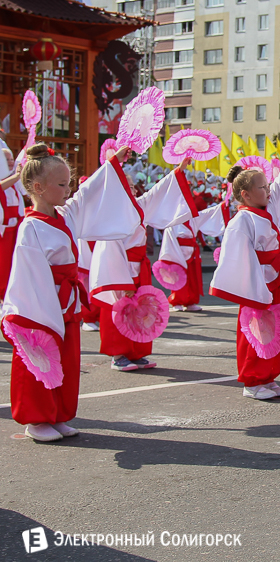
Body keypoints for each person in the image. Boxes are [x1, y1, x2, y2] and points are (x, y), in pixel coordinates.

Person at [2, 142, 137, 441]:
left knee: (66, 360)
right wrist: (44, 312)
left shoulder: (65, 214)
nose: (68, 189)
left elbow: (88, 194)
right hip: (42, 306)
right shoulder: (30, 227)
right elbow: (28, 277)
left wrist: (113, 162)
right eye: (62, 184)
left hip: (67, 303)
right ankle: (36, 419)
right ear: (38, 187)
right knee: (40, 356)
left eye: (68, 183)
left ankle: (59, 414)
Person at [209, 134, 280, 400]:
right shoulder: (241, 220)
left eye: (267, 186)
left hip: (276, 281)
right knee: (256, 333)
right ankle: (252, 381)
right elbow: (239, 259)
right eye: (262, 187)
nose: (268, 190)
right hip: (258, 287)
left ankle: (268, 377)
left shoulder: (269, 209)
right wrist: (257, 290)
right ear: (245, 195)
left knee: (276, 329)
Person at [89, 155, 196, 371]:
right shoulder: (111, 215)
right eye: (126, 187)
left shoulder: (138, 207)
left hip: (139, 267)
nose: (132, 190)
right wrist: (124, 282)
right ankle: (118, 354)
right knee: (119, 309)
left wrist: (178, 171)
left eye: (132, 187)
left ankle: (137, 352)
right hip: (121, 270)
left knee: (140, 310)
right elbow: (110, 251)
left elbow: (157, 192)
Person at [157, 200, 231, 312]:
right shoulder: (172, 223)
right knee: (179, 278)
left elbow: (207, 213)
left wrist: (223, 205)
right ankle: (177, 301)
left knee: (193, 279)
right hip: (177, 254)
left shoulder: (193, 219)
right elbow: (169, 241)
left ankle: (190, 302)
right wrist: (171, 256)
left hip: (192, 253)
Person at [0, 146, 25, 299]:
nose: (10, 162)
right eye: (6, 159)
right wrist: (16, 176)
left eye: (11, 159)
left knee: (12, 266)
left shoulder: (15, 183)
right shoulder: (10, 180)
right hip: (2, 232)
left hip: (14, 231)